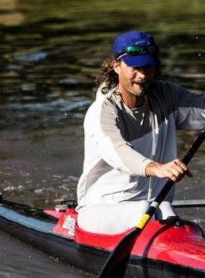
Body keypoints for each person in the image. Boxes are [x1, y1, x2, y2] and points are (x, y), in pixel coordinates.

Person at [76, 30, 205, 234]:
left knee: (172, 216)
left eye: (148, 67)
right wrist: (156, 168)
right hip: (101, 210)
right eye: (135, 68)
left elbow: (201, 109)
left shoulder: (167, 96)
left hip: (155, 206)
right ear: (116, 66)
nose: (143, 75)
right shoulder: (103, 111)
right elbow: (117, 151)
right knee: (149, 211)